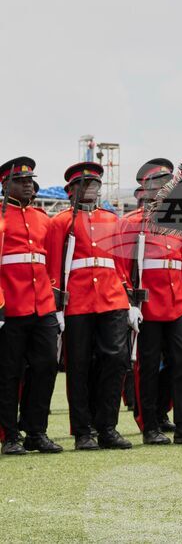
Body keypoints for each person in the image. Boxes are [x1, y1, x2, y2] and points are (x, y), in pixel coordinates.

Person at [117, 159, 182, 445]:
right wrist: (129, 302)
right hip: (149, 304)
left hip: (178, 302)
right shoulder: (132, 223)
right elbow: (122, 266)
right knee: (146, 366)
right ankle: (150, 425)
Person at [45, 162, 132, 450]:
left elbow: (121, 264)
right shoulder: (60, 222)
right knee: (79, 365)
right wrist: (57, 304)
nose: (91, 189)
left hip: (112, 298)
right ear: (71, 190)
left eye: (95, 184)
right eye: (85, 184)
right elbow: (54, 265)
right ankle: (83, 431)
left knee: (116, 360)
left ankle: (108, 427)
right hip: (78, 301)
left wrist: (128, 298)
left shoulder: (111, 220)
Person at [0, 158, 61, 454]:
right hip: (9, 308)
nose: (28, 185)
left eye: (30, 180)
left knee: (47, 365)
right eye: (21, 181)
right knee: (9, 372)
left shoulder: (42, 218)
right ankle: (10, 435)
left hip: (42, 307)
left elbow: (51, 263)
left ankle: (36, 431)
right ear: (5, 184)